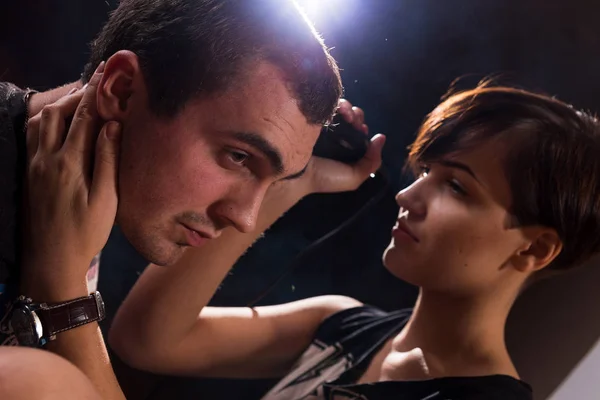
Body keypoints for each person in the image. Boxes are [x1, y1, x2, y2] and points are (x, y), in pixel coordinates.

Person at [108, 83, 600, 399]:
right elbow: (144, 340)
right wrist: (290, 183)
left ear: (534, 248)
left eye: (456, 186)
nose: (408, 193)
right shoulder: (340, 326)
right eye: (426, 170)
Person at [0, 0, 386, 398]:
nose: (246, 219)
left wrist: (306, 178)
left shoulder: (72, 204)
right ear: (122, 90)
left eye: (275, 181)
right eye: (238, 157)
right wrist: (60, 291)